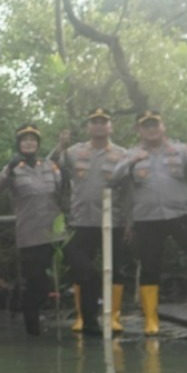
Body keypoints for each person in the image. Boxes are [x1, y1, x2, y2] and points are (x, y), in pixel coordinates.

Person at [112, 111, 187, 331]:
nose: (151, 129)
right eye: (146, 126)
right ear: (139, 130)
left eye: (155, 125)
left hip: (181, 215)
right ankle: (151, 318)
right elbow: (113, 179)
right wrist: (130, 162)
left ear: (163, 127)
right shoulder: (131, 154)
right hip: (147, 219)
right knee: (150, 266)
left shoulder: (181, 150)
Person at [55, 109, 131, 335]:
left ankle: (114, 316)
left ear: (110, 126)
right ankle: (82, 316)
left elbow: (128, 191)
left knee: (116, 269)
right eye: (94, 122)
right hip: (82, 220)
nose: (99, 126)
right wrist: (60, 145)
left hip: (113, 221)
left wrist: (130, 221)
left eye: (103, 122)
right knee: (81, 270)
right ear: (88, 127)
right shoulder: (74, 152)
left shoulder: (122, 154)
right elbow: (53, 168)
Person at [0, 124, 66, 336]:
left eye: (32, 139)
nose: (29, 142)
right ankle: (32, 331)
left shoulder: (50, 165)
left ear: (38, 143)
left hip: (55, 234)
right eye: (24, 139)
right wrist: (8, 169)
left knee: (57, 280)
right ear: (18, 144)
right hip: (29, 235)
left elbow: (63, 190)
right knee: (36, 285)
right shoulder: (13, 168)